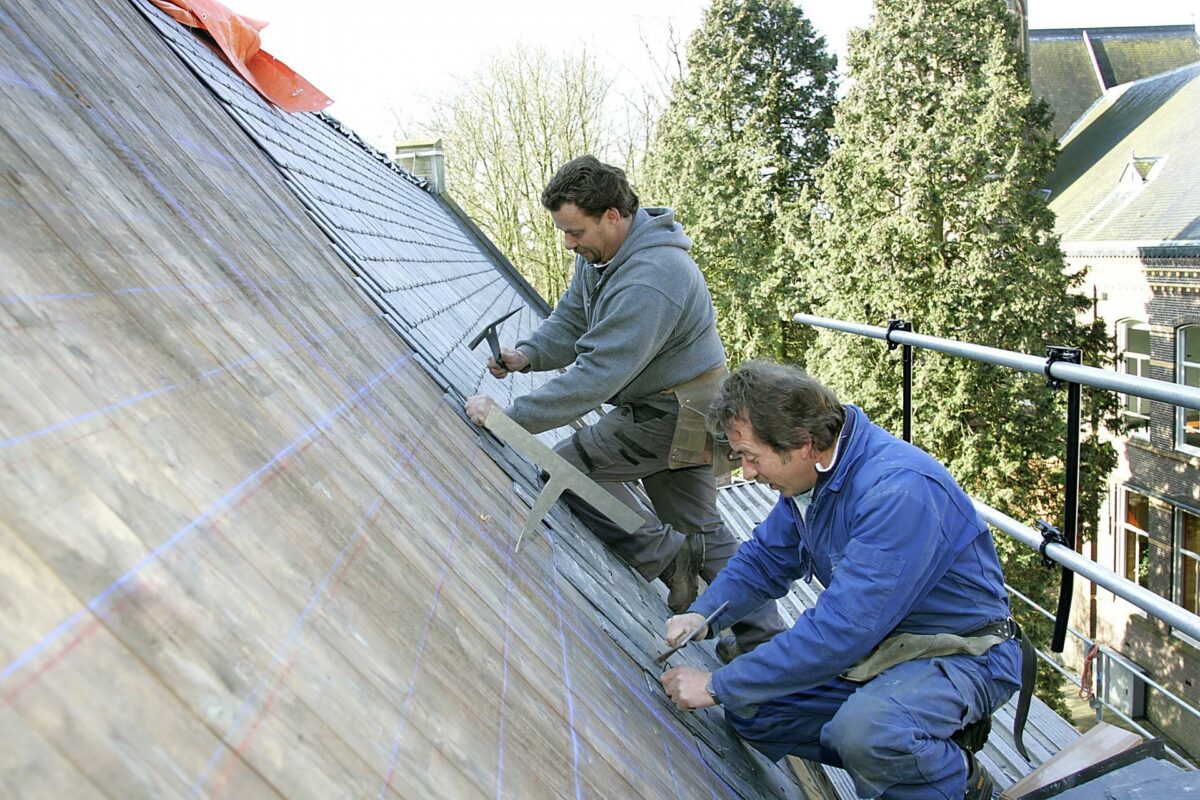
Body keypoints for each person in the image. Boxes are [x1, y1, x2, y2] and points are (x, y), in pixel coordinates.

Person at [660, 362, 1027, 800]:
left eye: (752, 458)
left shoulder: (897, 492)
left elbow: (841, 631)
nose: (748, 474)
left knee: (868, 732)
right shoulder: (818, 474)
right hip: (884, 646)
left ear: (804, 444)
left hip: (964, 652)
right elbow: (765, 559)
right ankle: (913, 750)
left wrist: (717, 685)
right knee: (753, 711)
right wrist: (704, 613)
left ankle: (956, 782)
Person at [465, 155, 782, 653]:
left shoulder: (653, 277)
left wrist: (509, 420)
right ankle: (764, 641)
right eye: (564, 232)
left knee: (566, 468)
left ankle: (670, 557)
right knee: (701, 529)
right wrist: (526, 355)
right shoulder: (600, 256)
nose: (569, 243)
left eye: (575, 231)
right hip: (673, 409)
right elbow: (572, 321)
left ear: (612, 215)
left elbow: (597, 375)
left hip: (676, 415)